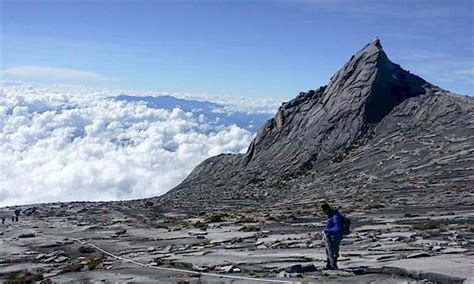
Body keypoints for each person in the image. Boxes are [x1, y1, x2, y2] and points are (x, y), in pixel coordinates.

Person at [321, 202, 343, 270]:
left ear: (327, 209)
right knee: (329, 251)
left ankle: (333, 265)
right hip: (330, 237)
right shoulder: (331, 216)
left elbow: (338, 228)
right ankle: (329, 265)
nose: (324, 212)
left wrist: (327, 230)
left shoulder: (335, 216)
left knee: (333, 251)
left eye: (324, 210)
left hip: (335, 237)